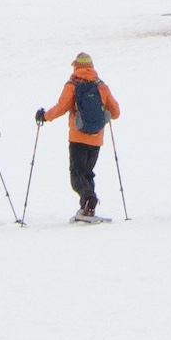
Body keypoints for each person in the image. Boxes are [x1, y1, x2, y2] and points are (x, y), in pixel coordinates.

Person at [34, 53, 124, 222]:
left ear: (76, 66)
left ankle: (89, 199)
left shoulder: (72, 85)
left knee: (76, 175)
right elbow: (116, 112)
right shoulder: (101, 86)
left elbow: (61, 108)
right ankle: (87, 209)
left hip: (77, 138)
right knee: (87, 174)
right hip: (96, 138)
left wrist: (45, 116)